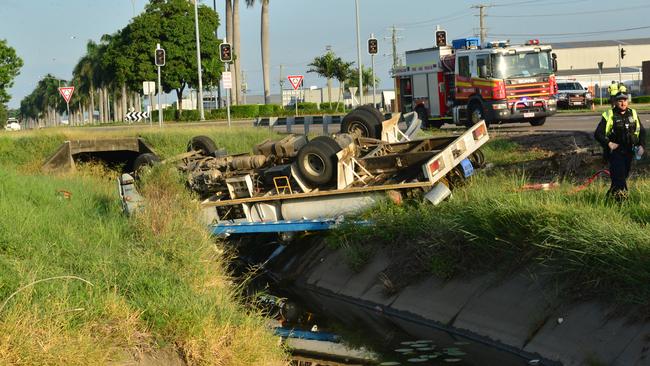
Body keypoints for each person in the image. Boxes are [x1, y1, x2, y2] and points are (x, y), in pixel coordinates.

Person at [594, 92, 646, 201]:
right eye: (620, 101)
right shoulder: (609, 115)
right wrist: (609, 143)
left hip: (629, 151)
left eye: (625, 100)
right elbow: (598, 134)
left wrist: (641, 145)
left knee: (619, 179)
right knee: (620, 178)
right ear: (615, 102)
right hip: (615, 153)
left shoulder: (633, 113)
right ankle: (623, 203)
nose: (623, 103)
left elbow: (642, 131)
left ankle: (606, 200)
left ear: (628, 101)